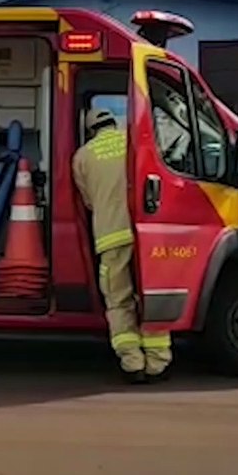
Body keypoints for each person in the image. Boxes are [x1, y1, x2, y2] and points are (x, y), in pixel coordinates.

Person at [72, 107, 172, 384]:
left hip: (110, 236)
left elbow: (88, 201)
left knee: (118, 300)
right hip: (146, 234)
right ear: (113, 124)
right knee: (151, 298)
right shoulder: (135, 143)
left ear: (91, 130)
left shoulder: (83, 156)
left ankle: (132, 363)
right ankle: (158, 362)